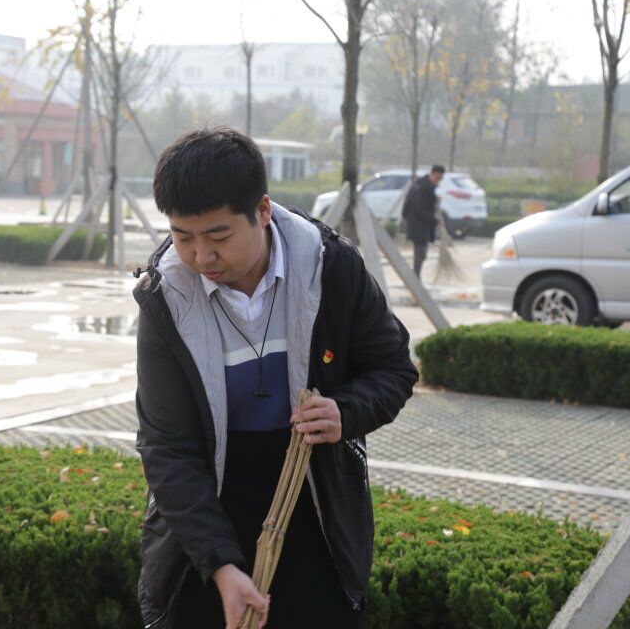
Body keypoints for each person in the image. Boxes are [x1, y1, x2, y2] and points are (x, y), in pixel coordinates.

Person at [133, 127, 418, 629]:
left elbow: (393, 367)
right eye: (182, 236)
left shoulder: (331, 268)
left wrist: (346, 411)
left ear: (262, 211)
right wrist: (221, 566)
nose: (201, 257)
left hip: (315, 509)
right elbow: (168, 448)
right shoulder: (165, 298)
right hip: (203, 523)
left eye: (219, 236)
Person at [401, 164, 445, 278]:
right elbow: (419, 208)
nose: (438, 180)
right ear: (431, 174)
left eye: (440, 178)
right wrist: (435, 220)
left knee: (421, 253)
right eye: (437, 177)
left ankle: (416, 276)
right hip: (417, 224)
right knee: (420, 252)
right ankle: (415, 277)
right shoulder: (421, 187)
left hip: (423, 225)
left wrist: (435, 199)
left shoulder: (427, 186)